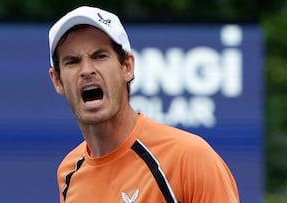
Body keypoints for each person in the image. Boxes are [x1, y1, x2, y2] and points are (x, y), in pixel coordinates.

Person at [48, 6, 239, 203]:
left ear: (127, 67)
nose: (87, 70)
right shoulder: (69, 172)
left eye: (100, 56)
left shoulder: (189, 157)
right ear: (57, 80)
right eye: (72, 61)